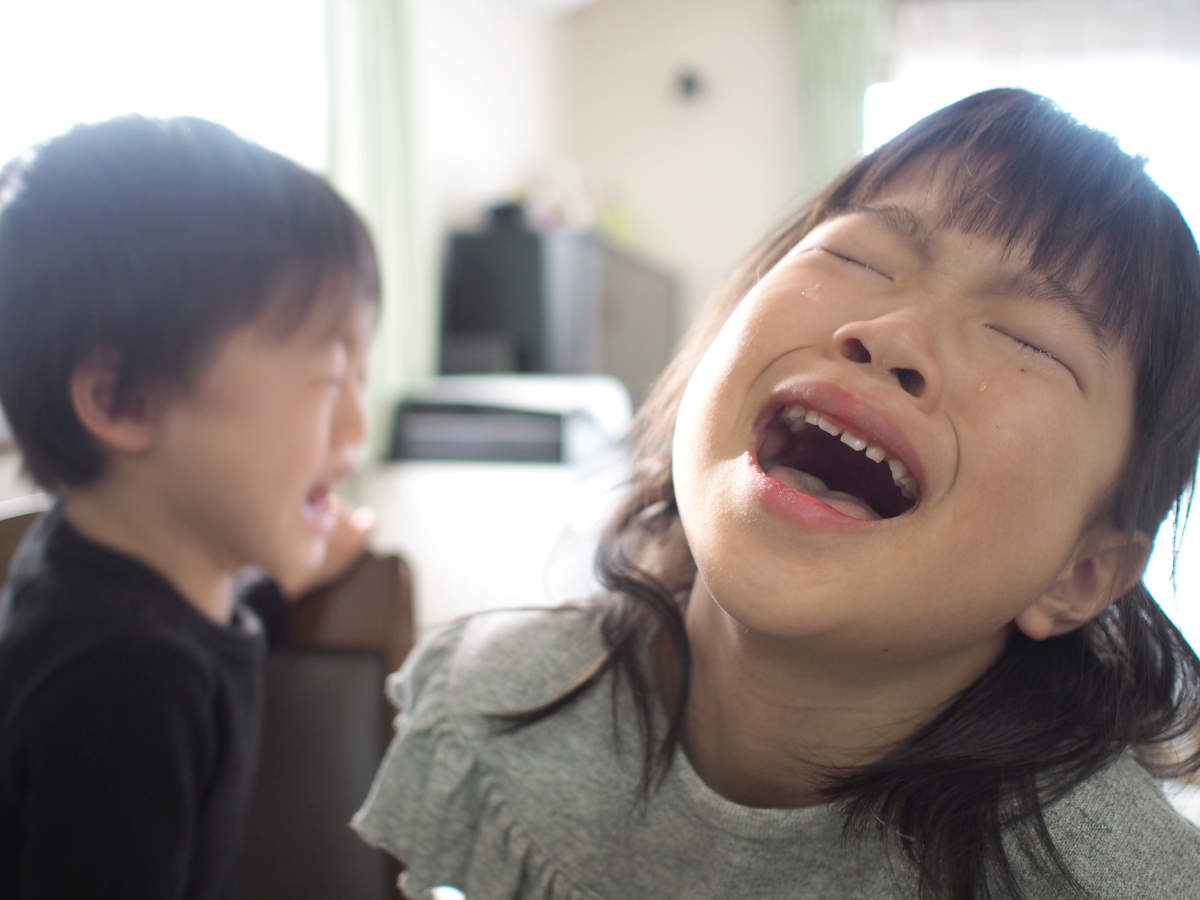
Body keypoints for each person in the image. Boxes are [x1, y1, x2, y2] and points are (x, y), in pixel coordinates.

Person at [353, 88, 1200, 899]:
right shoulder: (487, 705)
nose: (892, 334)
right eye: (859, 258)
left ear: (1083, 572)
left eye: (1026, 339)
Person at [0, 116, 379, 898]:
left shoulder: (98, 571)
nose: (358, 428)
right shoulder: (123, 690)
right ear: (124, 399)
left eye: (360, 380)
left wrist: (289, 579)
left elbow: (210, 626)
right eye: (328, 380)